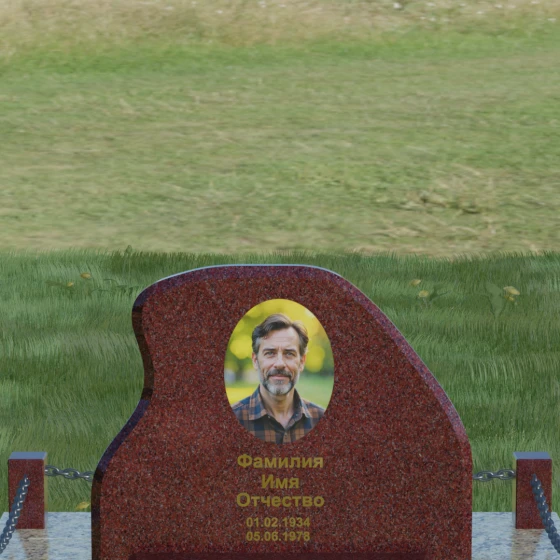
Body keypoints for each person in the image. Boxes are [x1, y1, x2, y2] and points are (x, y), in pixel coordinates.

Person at [232, 313, 325, 444]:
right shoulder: (231, 420)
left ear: (302, 362)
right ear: (255, 361)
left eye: (289, 353)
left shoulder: (322, 419)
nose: (280, 363)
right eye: (270, 353)